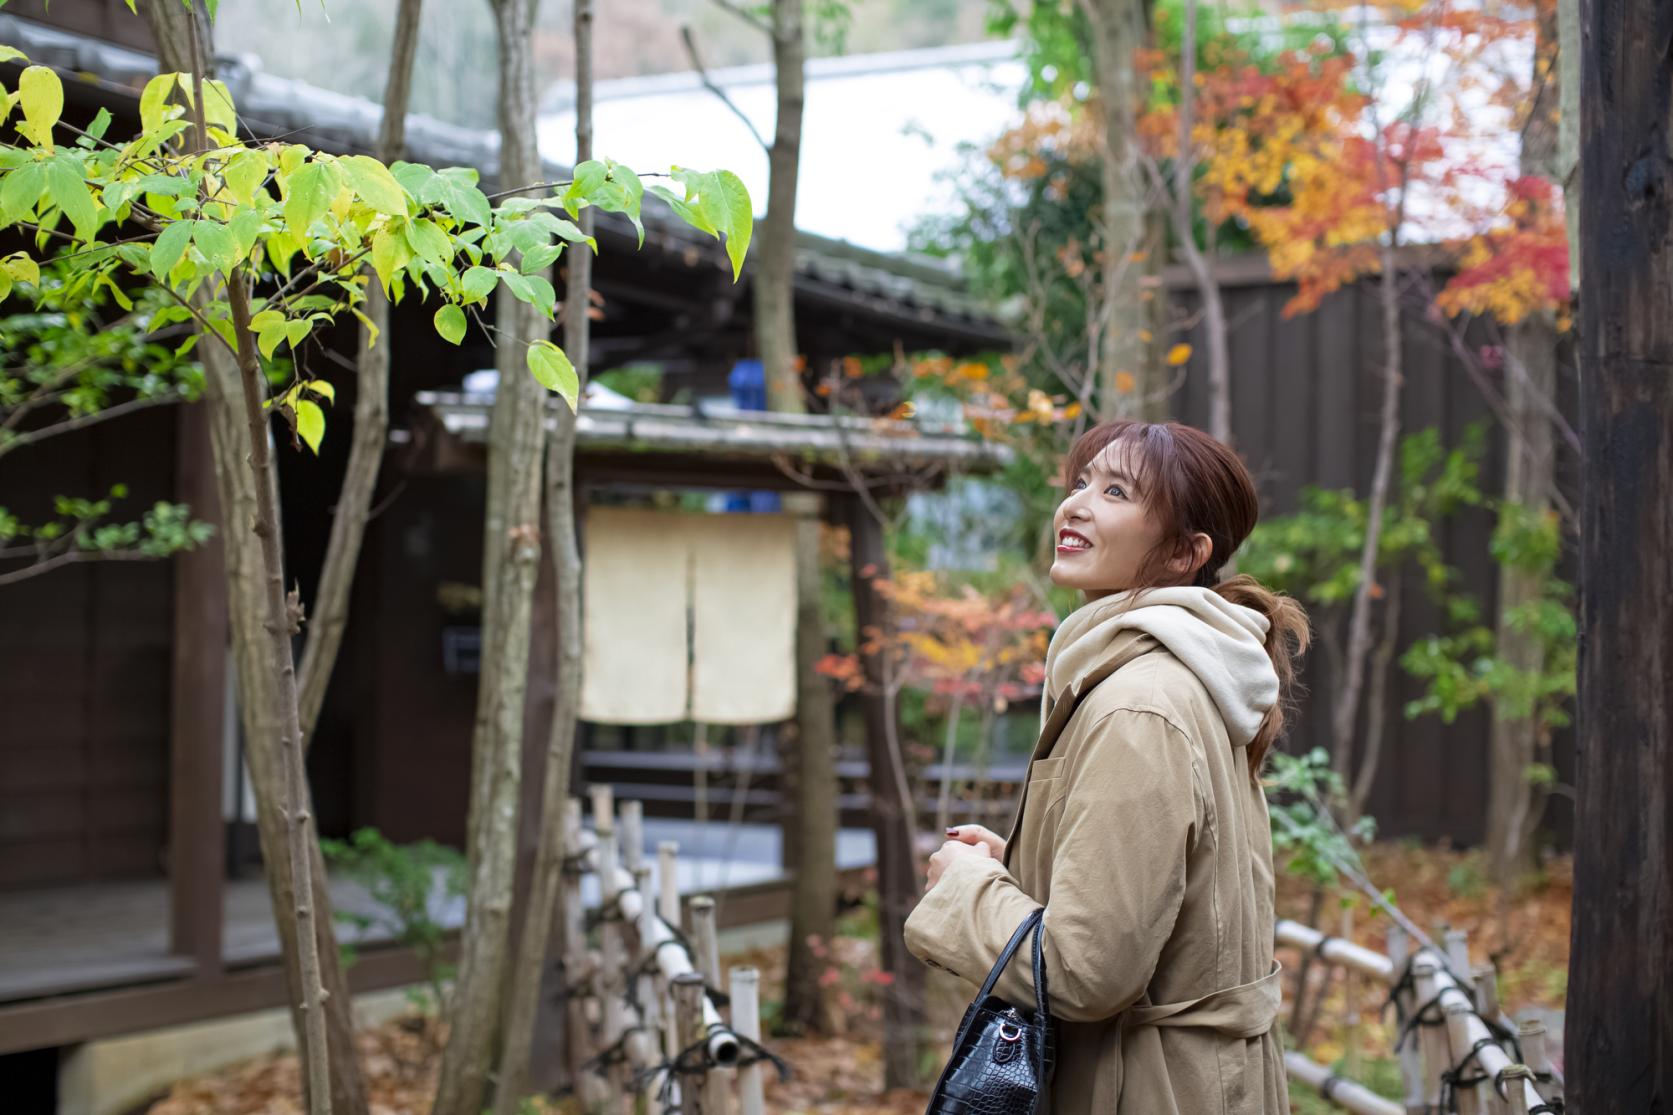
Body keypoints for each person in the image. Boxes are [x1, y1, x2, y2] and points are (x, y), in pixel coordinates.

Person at [905, 418, 1308, 1114]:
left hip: (1147, 1089)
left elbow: (1086, 972)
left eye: (1115, 490)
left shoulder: (1136, 703)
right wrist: (1020, 865)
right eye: (1080, 482)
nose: (1076, 504)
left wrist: (964, 890)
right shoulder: (1179, 676)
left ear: (1185, 551)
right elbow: (1175, 905)